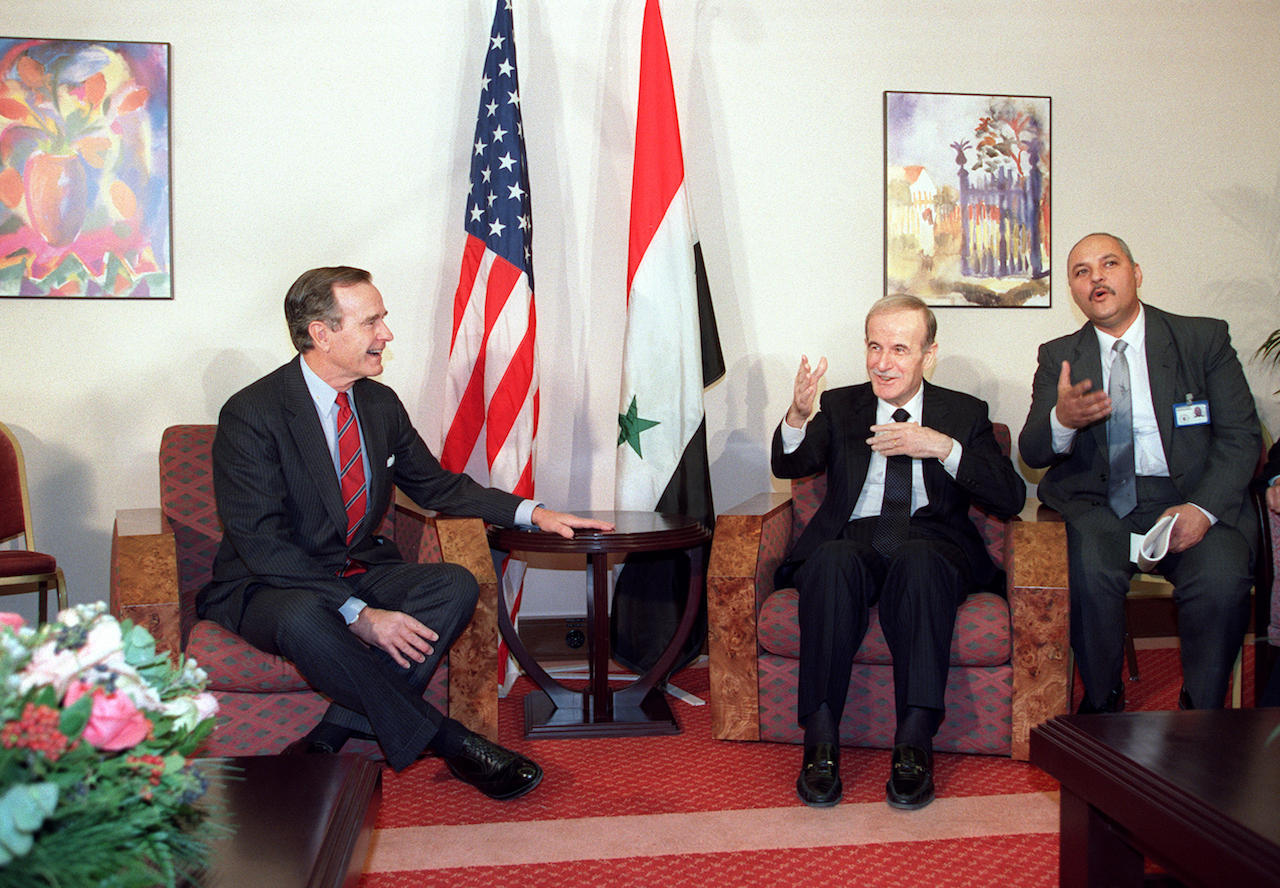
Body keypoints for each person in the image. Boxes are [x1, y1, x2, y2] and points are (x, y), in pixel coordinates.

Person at [197, 266, 612, 800]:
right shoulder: (252, 413)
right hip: (269, 585)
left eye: (384, 319)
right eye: (371, 321)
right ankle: (452, 742)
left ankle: (327, 739)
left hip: (360, 570)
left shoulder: (378, 403)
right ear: (322, 334)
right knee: (306, 616)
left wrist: (533, 513)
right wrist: (360, 615)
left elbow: (437, 487)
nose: (386, 334)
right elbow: (260, 543)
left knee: (454, 584)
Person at [772, 294, 1025, 810]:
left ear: (929, 355)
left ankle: (914, 743)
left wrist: (942, 447)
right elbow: (790, 465)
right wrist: (798, 415)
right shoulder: (843, 405)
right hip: (855, 537)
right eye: (874, 347)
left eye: (900, 350)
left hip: (935, 542)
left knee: (919, 562)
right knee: (832, 562)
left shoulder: (964, 412)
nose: (883, 363)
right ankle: (820, 744)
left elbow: (1011, 496)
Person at [1019, 233, 1260, 714]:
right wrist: (1063, 420)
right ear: (1073, 289)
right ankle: (1104, 698)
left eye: (1109, 264)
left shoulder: (1202, 339)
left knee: (1221, 578)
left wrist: (1204, 510)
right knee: (1087, 571)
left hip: (1189, 496)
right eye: (1081, 272)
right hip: (1099, 502)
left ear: (1136, 273)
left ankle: (1203, 711)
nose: (1097, 278)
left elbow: (1242, 436)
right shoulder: (1059, 355)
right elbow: (1033, 450)